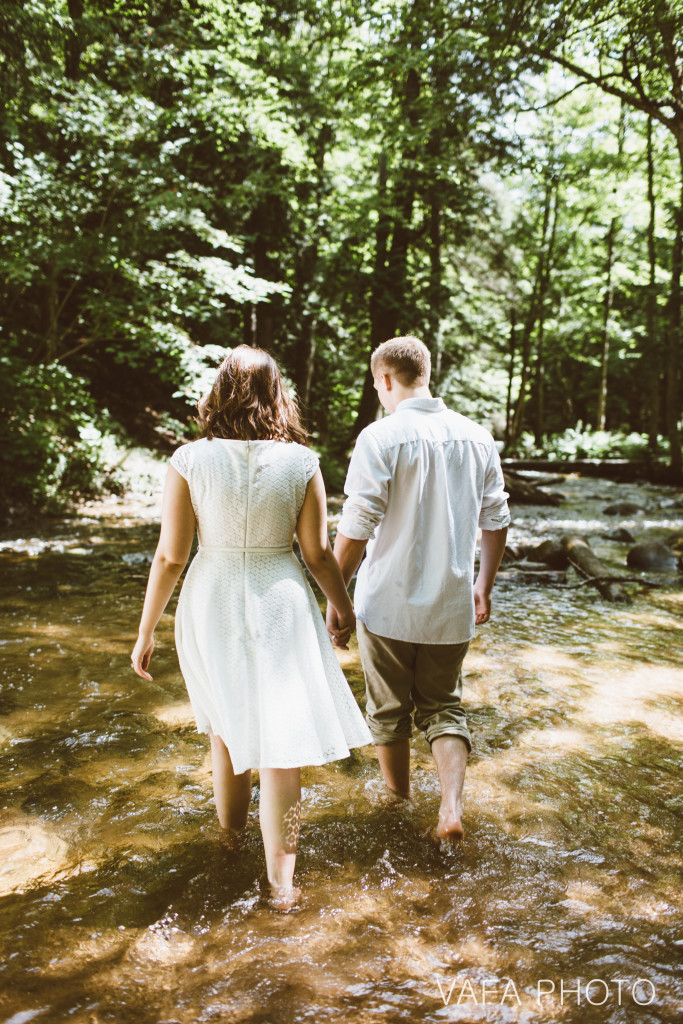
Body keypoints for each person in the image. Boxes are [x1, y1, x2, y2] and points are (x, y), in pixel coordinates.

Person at [131, 346, 371, 910]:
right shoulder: (301, 462)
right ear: (276, 394)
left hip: (210, 594)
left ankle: (231, 842)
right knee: (282, 745)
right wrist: (342, 607)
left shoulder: (189, 459)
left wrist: (146, 632)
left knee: (225, 728)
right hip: (280, 597)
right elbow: (316, 553)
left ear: (219, 392)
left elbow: (170, 556)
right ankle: (282, 887)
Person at [327, 335, 510, 842]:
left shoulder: (379, 437)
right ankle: (450, 808)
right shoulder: (477, 436)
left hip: (386, 604)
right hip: (452, 604)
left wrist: (335, 599)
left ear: (386, 380)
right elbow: (497, 518)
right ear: (425, 373)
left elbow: (357, 527)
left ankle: (398, 804)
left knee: (389, 713)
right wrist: (484, 585)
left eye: (377, 386)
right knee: (442, 707)